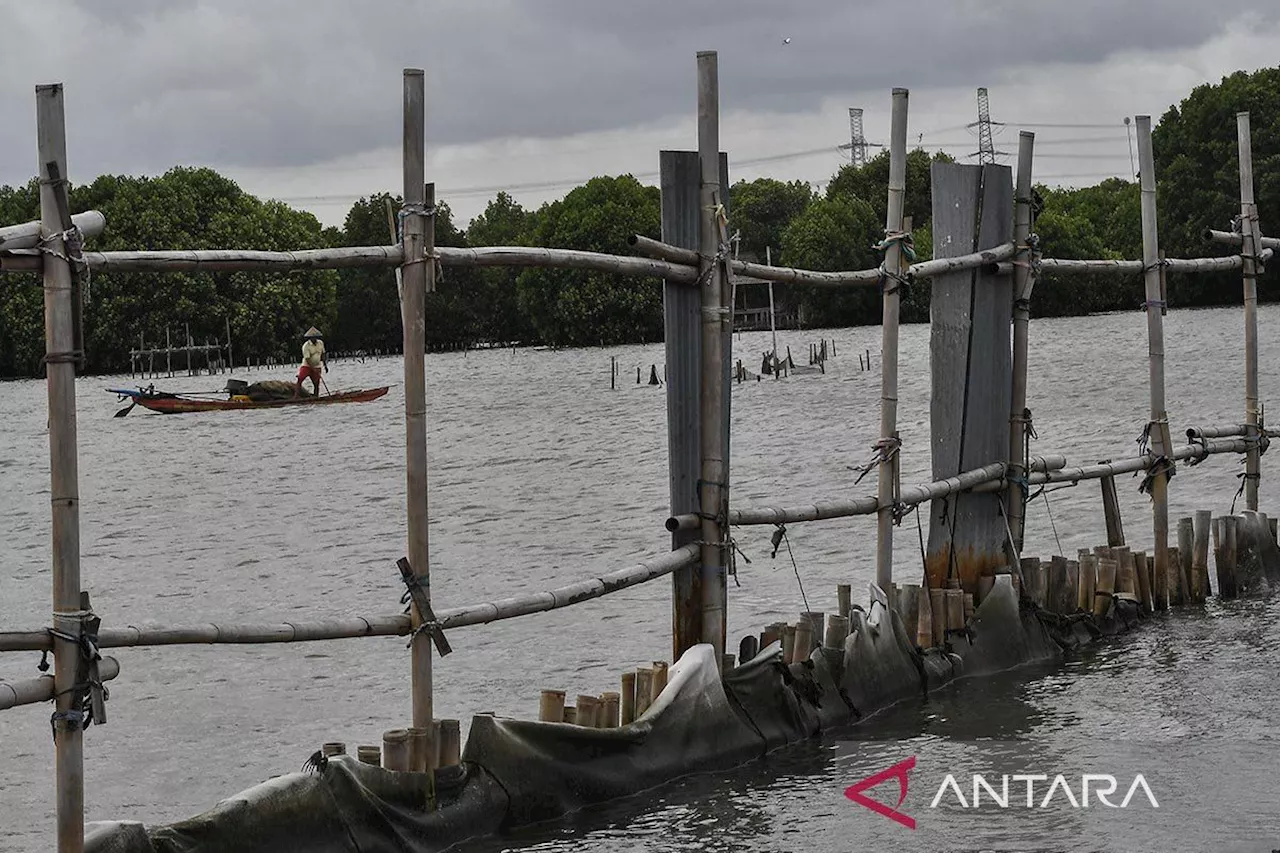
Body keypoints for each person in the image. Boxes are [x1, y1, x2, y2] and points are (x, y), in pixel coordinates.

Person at [295, 327, 327, 397]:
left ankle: (316, 396)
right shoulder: (306, 346)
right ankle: (296, 396)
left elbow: (323, 354)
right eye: (312, 337)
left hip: (317, 365)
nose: (313, 338)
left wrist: (325, 365)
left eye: (315, 337)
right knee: (300, 379)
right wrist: (312, 368)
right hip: (307, 365)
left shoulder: (320, 343)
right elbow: (307, 359)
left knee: (316, 383)